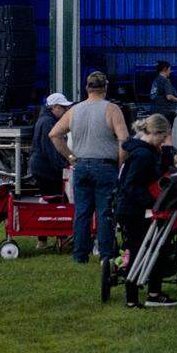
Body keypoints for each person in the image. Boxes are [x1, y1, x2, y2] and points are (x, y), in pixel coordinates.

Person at [49, 71, 129, 263]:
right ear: (105, 87)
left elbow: (54, 134)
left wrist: (70, 157)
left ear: (86, 88)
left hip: (81, 165)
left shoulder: (74, 111)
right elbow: (124, 139)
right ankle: (106, 255)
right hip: (105, 165)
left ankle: (80, 256)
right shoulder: (112, 109)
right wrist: (119, 162)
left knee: (82, 212)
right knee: (105, 212)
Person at [116, 114, 177, 308]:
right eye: (163, 137)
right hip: (135, 210)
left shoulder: (140, 151)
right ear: (156, 133)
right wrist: (153, 202)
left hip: (134, 207)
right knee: (139, 251)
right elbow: (131, 185)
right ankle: (134, 297)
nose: (164, 141)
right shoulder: (143, 155)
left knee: (151, 249)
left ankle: (151, 293)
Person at [30, 92, 72, 197]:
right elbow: (51, 150)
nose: (66, 111)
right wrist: (64, 167)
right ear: (55, 107)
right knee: (55, 197)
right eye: (64, 107)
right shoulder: (49, 122)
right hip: (46, 169)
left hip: (41, 168)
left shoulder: (45, 120)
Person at [149, 61, 177, 127]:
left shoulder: (156, 80)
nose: (170, 71)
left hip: (154, 111)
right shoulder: (165, 80)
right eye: (169, 69)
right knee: (166, 133)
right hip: (165, 112)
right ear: (164, 69)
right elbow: (169, 97)